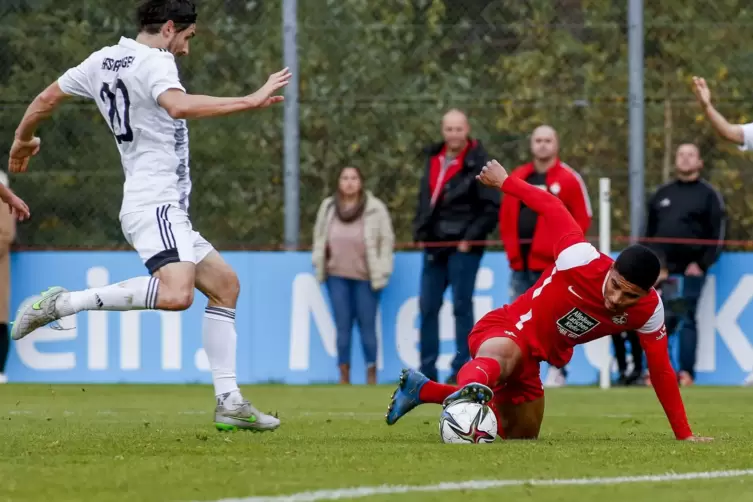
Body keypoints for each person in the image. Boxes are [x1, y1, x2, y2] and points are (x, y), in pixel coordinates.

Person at [6, 0, 290, 432]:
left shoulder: (102, 59)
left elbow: (47, 98)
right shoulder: (155, 61)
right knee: (178, 295)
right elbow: (177, 106)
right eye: (188, 38)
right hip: (155, 202)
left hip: (159, 204)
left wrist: (21, 140)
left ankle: (229, 402)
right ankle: (62, 303)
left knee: (226, 286)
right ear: (170, 28)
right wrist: (249, 100)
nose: (186, 50)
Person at [385, 159, 712, 442]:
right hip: (506, 328)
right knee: (502, 358)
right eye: (615, 286)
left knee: (522, 436)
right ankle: (469, 390)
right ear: (610, 267)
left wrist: (684, 434)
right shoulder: (579, 257)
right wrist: (506, 182)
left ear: (646, 292)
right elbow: (552, 206)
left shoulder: (650, 310)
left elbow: (661, 371)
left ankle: (423, 390)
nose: (616, 299)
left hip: (534, 362)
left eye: (629, 295)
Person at [500, 125, 592, 388]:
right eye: (538, 140)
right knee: (517, 318)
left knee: (553, 320)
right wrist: (513, 255)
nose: (542, 145)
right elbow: (506, 218)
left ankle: (557, 371)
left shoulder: (569, 179)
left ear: (557, 144)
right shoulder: (518, 176)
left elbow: (582, 218)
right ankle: (519, 373)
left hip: (552, 266)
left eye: (547, 140)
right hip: (521, 264)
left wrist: (565, 254)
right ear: (531, 145)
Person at [413, 109, 500, 384]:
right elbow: (424, 197)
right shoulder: (433, 157)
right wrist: (420, 231)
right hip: (433, 245)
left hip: (464, 248)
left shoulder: (480, 162)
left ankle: (462, 368)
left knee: (461, 307)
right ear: (443, 130)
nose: (453, 135)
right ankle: (427, 371)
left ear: (467, 130)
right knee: (428, 307)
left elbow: (491, 207)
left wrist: (468, 239)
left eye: (458, 129)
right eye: (448, 129)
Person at [643, 143, 725, 386]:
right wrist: (655, 266)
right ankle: (657, 374)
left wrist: (701, 263)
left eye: (691, 155)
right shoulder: (662, 194)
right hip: (661, 272)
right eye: (681, 154)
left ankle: (687, 374)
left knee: (686, 318)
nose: (686, 159)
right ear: (675, 160)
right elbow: (648, 233)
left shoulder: (709, 195)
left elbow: (717, 233)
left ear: (699, 162)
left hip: (691, 271)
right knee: (658, 320)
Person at [312, 166, 395, 385]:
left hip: (366, 277)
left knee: (367, 326)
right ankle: (344, 374)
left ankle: (371, 373)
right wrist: (318, 260)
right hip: (335, 275)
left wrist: (383, 267)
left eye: (354, 178)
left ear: (361, 182)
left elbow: (386, 240)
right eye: (345, 178)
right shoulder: (328, 207)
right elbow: (319, 236)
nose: (349, 182)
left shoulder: (375, 208)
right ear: (339, 182)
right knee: (342, 326)